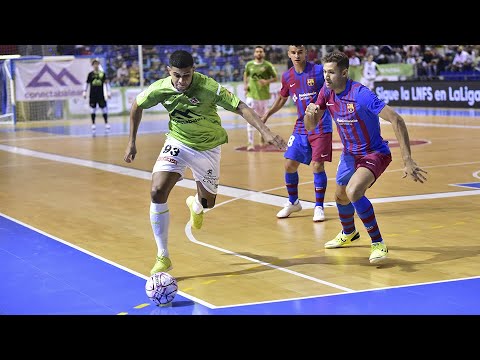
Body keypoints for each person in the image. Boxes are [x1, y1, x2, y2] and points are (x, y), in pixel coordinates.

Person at [123, 50, 288, 275]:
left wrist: (266, 132)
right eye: (177, 76)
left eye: (187, 75)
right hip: (178, 142)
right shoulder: (160, 88)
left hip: (208, 148)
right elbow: (137, 105)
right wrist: (131, 141)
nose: (182, 81)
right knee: (157, 190)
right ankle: (163, 255)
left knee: (208, 202)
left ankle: (197, 205)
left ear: (194, 72)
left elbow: (240, 106)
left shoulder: (208, 87)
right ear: (168, 72)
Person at [304, 51, 427, 264]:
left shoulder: (361, 94)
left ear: (344, 72)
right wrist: (309, 115)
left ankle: (378, 243)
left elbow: (396, 120)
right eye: (324, 72)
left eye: (331, 72)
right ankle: (349, 233)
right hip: (350, 154)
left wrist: (407, 159)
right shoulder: (326, 91)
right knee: (340, 195)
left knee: (353, 191)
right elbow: (311, 127)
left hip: (374, 153)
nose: (326, 77)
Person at [262, 45, 333, 222]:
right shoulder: (287, 76)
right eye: (293, 52)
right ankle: (293, 202)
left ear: (306, 52)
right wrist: (268, 114)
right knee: (289, 165)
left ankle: (319, 207)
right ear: (288, 54)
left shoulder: (318, 71)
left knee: (317, 165)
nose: (297, 55)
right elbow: (281, 98)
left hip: (321, 125)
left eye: (300, 52)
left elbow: (333, 89)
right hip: (301, 126)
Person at [243, 46, 278, 150]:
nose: (258, 53)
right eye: (257, 51)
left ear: (263, 54)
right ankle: (250, 143)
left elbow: (276, 78)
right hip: (251, 96)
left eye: (260, 52)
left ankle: (262, 138)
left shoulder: (268, 65)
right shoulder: (249, 65)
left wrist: (266, 81)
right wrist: (245, 85)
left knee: (262, 119)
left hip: (264, 97)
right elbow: (246, 75)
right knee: (250, 118)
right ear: (254, 53)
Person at [83, 58, 111, 133]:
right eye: (94, 64)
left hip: (100, 95)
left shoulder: (102, 74)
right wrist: (84, 92)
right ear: (92, 65)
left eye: (97, 63)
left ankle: (106, 123)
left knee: (104, 109)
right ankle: (93, 124)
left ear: (99, 64)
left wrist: (108, 92)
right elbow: (87, 83)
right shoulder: (90, 74)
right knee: (93, 110)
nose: (96, 65)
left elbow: (106, 83)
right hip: (92, 95)